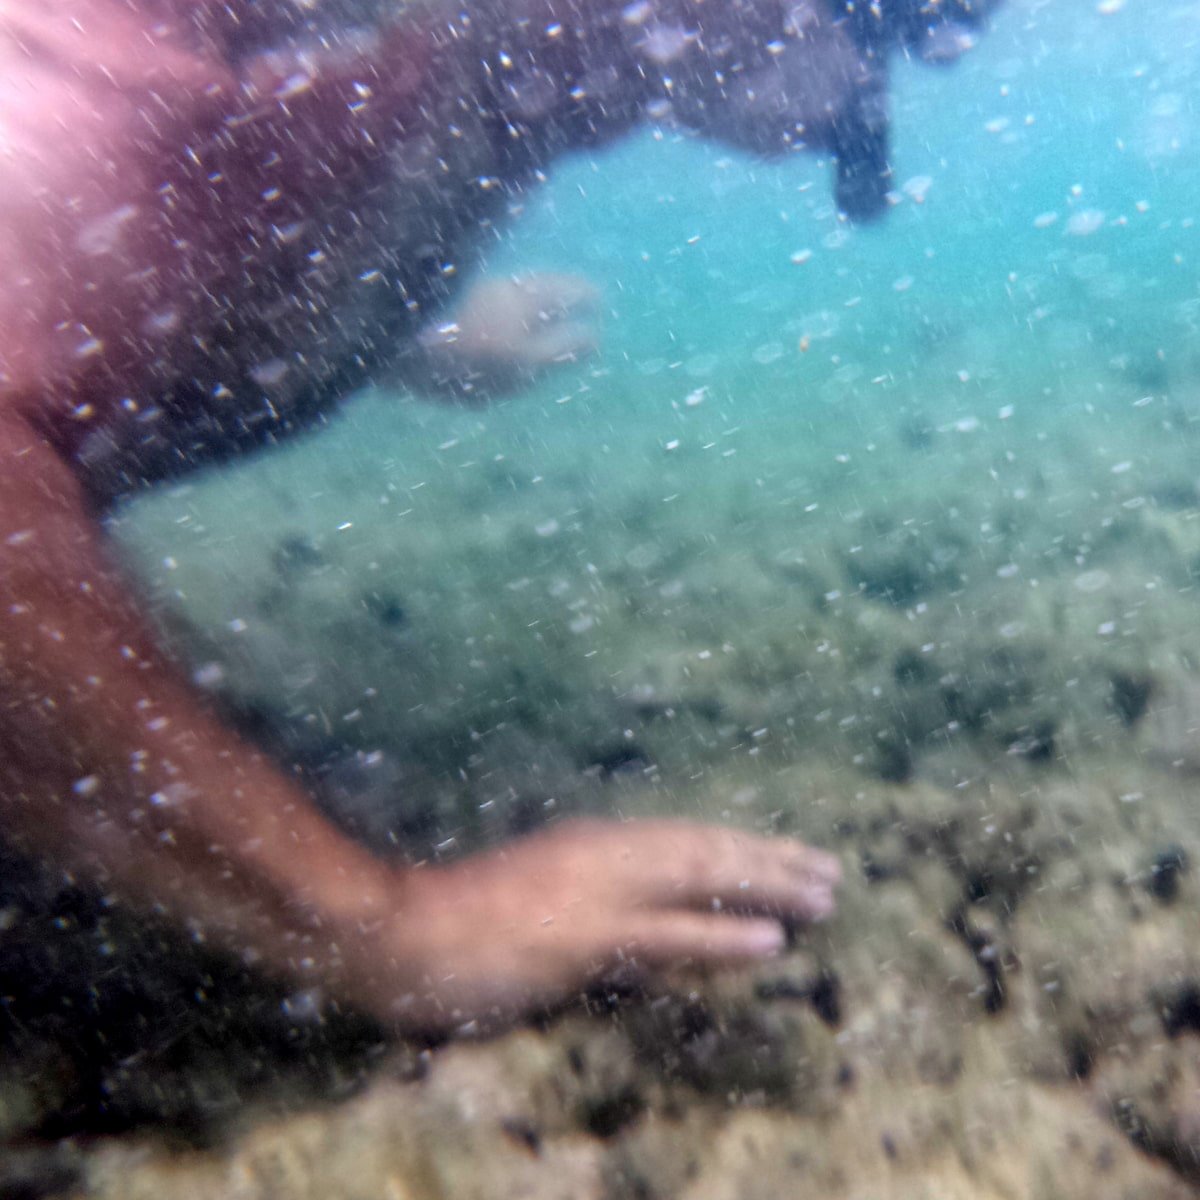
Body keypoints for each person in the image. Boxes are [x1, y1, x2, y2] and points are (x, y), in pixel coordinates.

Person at [0, 0, 997, 1032]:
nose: (870, 97)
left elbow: (175, 243)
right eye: (887, 22)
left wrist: (403, 336)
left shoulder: (494, 51)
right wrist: (382, 926)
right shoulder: (122, 66)